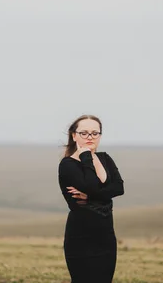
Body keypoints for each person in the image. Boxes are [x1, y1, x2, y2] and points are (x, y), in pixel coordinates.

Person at [58, 114, 125, 283]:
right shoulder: (67, 164)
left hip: (105, 236)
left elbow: (119, 188)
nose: (90, 137)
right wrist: (86, 157)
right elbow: (92, 186)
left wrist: (90, 196)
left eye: (95, 133)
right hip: (81, 237)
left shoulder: (105, 158)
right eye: (84, 133)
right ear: (74, 135)